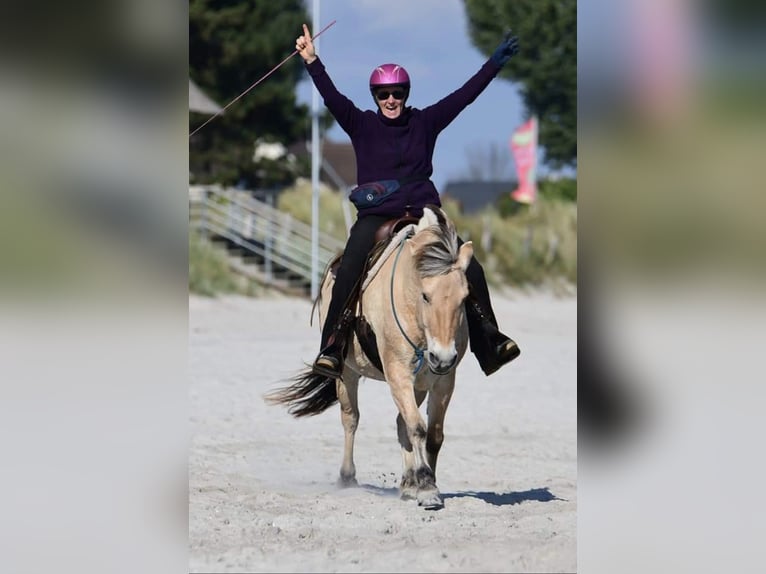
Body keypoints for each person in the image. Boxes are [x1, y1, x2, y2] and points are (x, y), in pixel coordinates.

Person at [295, 23, 521, 378]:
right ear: (375, 96)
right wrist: (311, 61)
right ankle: (333, 346)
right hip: (376, 215)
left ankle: (488, 340)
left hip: (424, 214)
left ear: (406, 93)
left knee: (470, 267)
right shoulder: (360, 123)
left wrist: (494, 64)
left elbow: (465, 95)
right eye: (383, 94)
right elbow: (331, 97)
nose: (391, 99)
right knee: (350, 266)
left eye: (397, 92)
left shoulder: (426, 121)